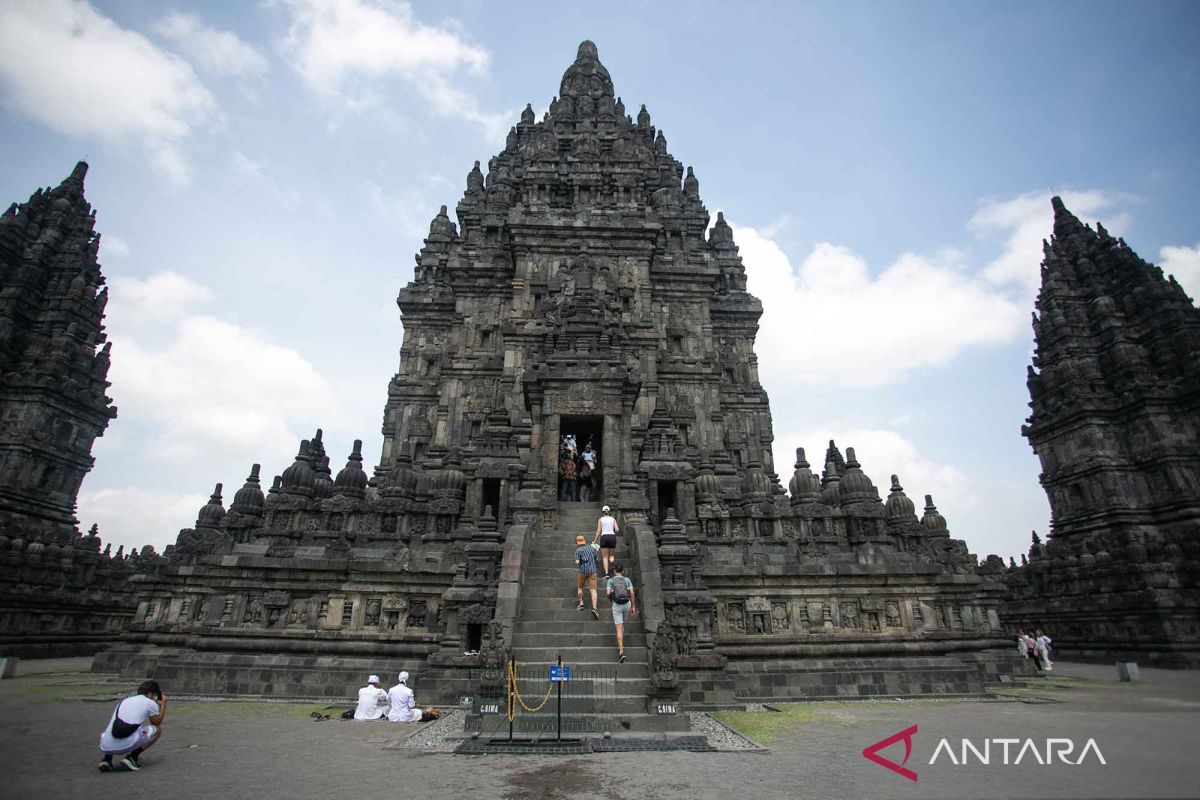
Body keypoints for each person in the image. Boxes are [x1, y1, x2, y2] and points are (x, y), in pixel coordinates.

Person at [98, 680, 166, 772]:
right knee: (156, 730)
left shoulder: (124, 701)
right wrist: (162, 706)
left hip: (105, 745)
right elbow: (156, 723)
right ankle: (132, 757)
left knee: (114, 725)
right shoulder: (150, 703)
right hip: (126, 745)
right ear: (150, 694)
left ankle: (107, 759)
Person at [605, 563, 637, 663]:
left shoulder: (610, 580)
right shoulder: (627, 580)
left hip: (617, 605)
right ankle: (620, 644)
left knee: (618, 628)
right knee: (622, 623)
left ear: (614, 571)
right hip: (627, 604)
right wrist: (633, 606)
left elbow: (607, 593)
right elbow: (631, 593)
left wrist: (612, 599)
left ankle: (621, 652)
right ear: (623, 571)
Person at [574, 534, 600, 620]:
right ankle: (595, 609)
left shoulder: (578, 550)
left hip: (583, 571)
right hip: (592, 571)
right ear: (584, 541)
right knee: (593, 590)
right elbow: (597, 559)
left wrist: (578, 561)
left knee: (580, 588)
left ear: (577, 543)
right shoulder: (592, 548)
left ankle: (581, 604)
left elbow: (577, 562)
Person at [594, 505, 619, 576]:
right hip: (612, 537)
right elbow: (617, 529)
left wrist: (595, 540)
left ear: (603, 512)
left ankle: (607, 573)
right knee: (611, 556)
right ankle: (615, 568)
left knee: (605, 557)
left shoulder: (601, 519)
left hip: (604, 537)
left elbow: (598, 531)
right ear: (609, 512)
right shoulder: (613, 519)